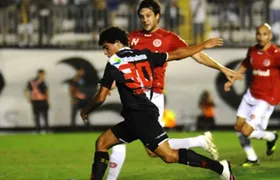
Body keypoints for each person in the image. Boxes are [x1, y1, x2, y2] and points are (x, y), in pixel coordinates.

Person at [107, 1, 243, 179]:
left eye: (148, 16)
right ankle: (202, 144)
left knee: (146, 148)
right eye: (142, 17)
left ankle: (207, 152)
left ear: (157, 16)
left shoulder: (168, 38)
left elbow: (196, 55)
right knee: (148, 148)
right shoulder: (132, 37)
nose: (145, 20)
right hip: (135, 95)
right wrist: (113, 82)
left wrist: (223, 69)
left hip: (152, 96)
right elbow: (125, 65)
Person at [80, 26, 237, 180]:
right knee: (102, 142)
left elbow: (101, 97)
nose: (105, 52)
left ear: (117, 43)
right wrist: (203, 45)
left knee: (169, 156)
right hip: (137, 115)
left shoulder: (113, 63)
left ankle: (220, 168)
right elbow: (178, 54)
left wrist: (86, 110)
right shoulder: (145, 55)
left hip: (139, 115)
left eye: (106, 47)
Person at [224, 23, 279, 167]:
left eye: (265, 34)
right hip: (251, 94)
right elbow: (245, 63)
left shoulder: (275, 54)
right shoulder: (253, 50)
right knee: (238, 127)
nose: (261, 37)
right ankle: (252, 158)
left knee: (246, 131)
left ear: (270, 36)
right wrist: (232, 80)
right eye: (259, 34)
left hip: (266, 99)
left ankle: (272, 136)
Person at [24, 69, 49, 133]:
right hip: (42, 101)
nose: (44, 76)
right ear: (40, 74)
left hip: (36, 101)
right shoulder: (43, 82)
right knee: (44, 116)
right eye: (43, 74)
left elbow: (26, 90)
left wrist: (29, 98)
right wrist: (48, 101)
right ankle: (45, 130)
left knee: (37, 116)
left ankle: (38, 130)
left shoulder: (32, 82)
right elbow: (46, 92)